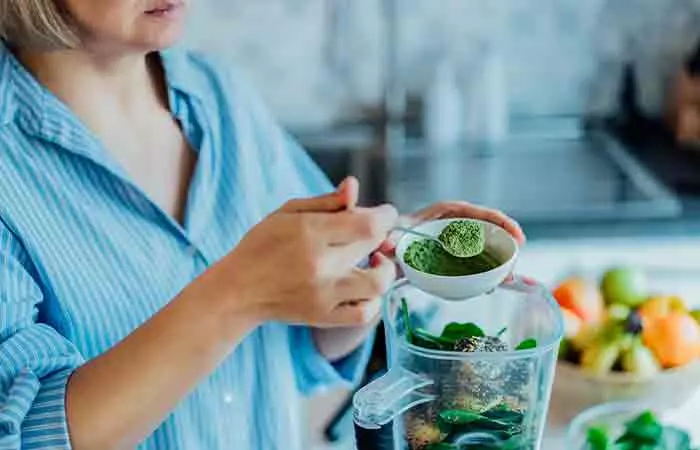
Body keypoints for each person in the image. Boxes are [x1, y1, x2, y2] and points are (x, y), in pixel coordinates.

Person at [0, 1, 525, 449]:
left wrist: (374, 263)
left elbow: (294, 346)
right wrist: (236, 295)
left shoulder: (221, 96)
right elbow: (21, 433)